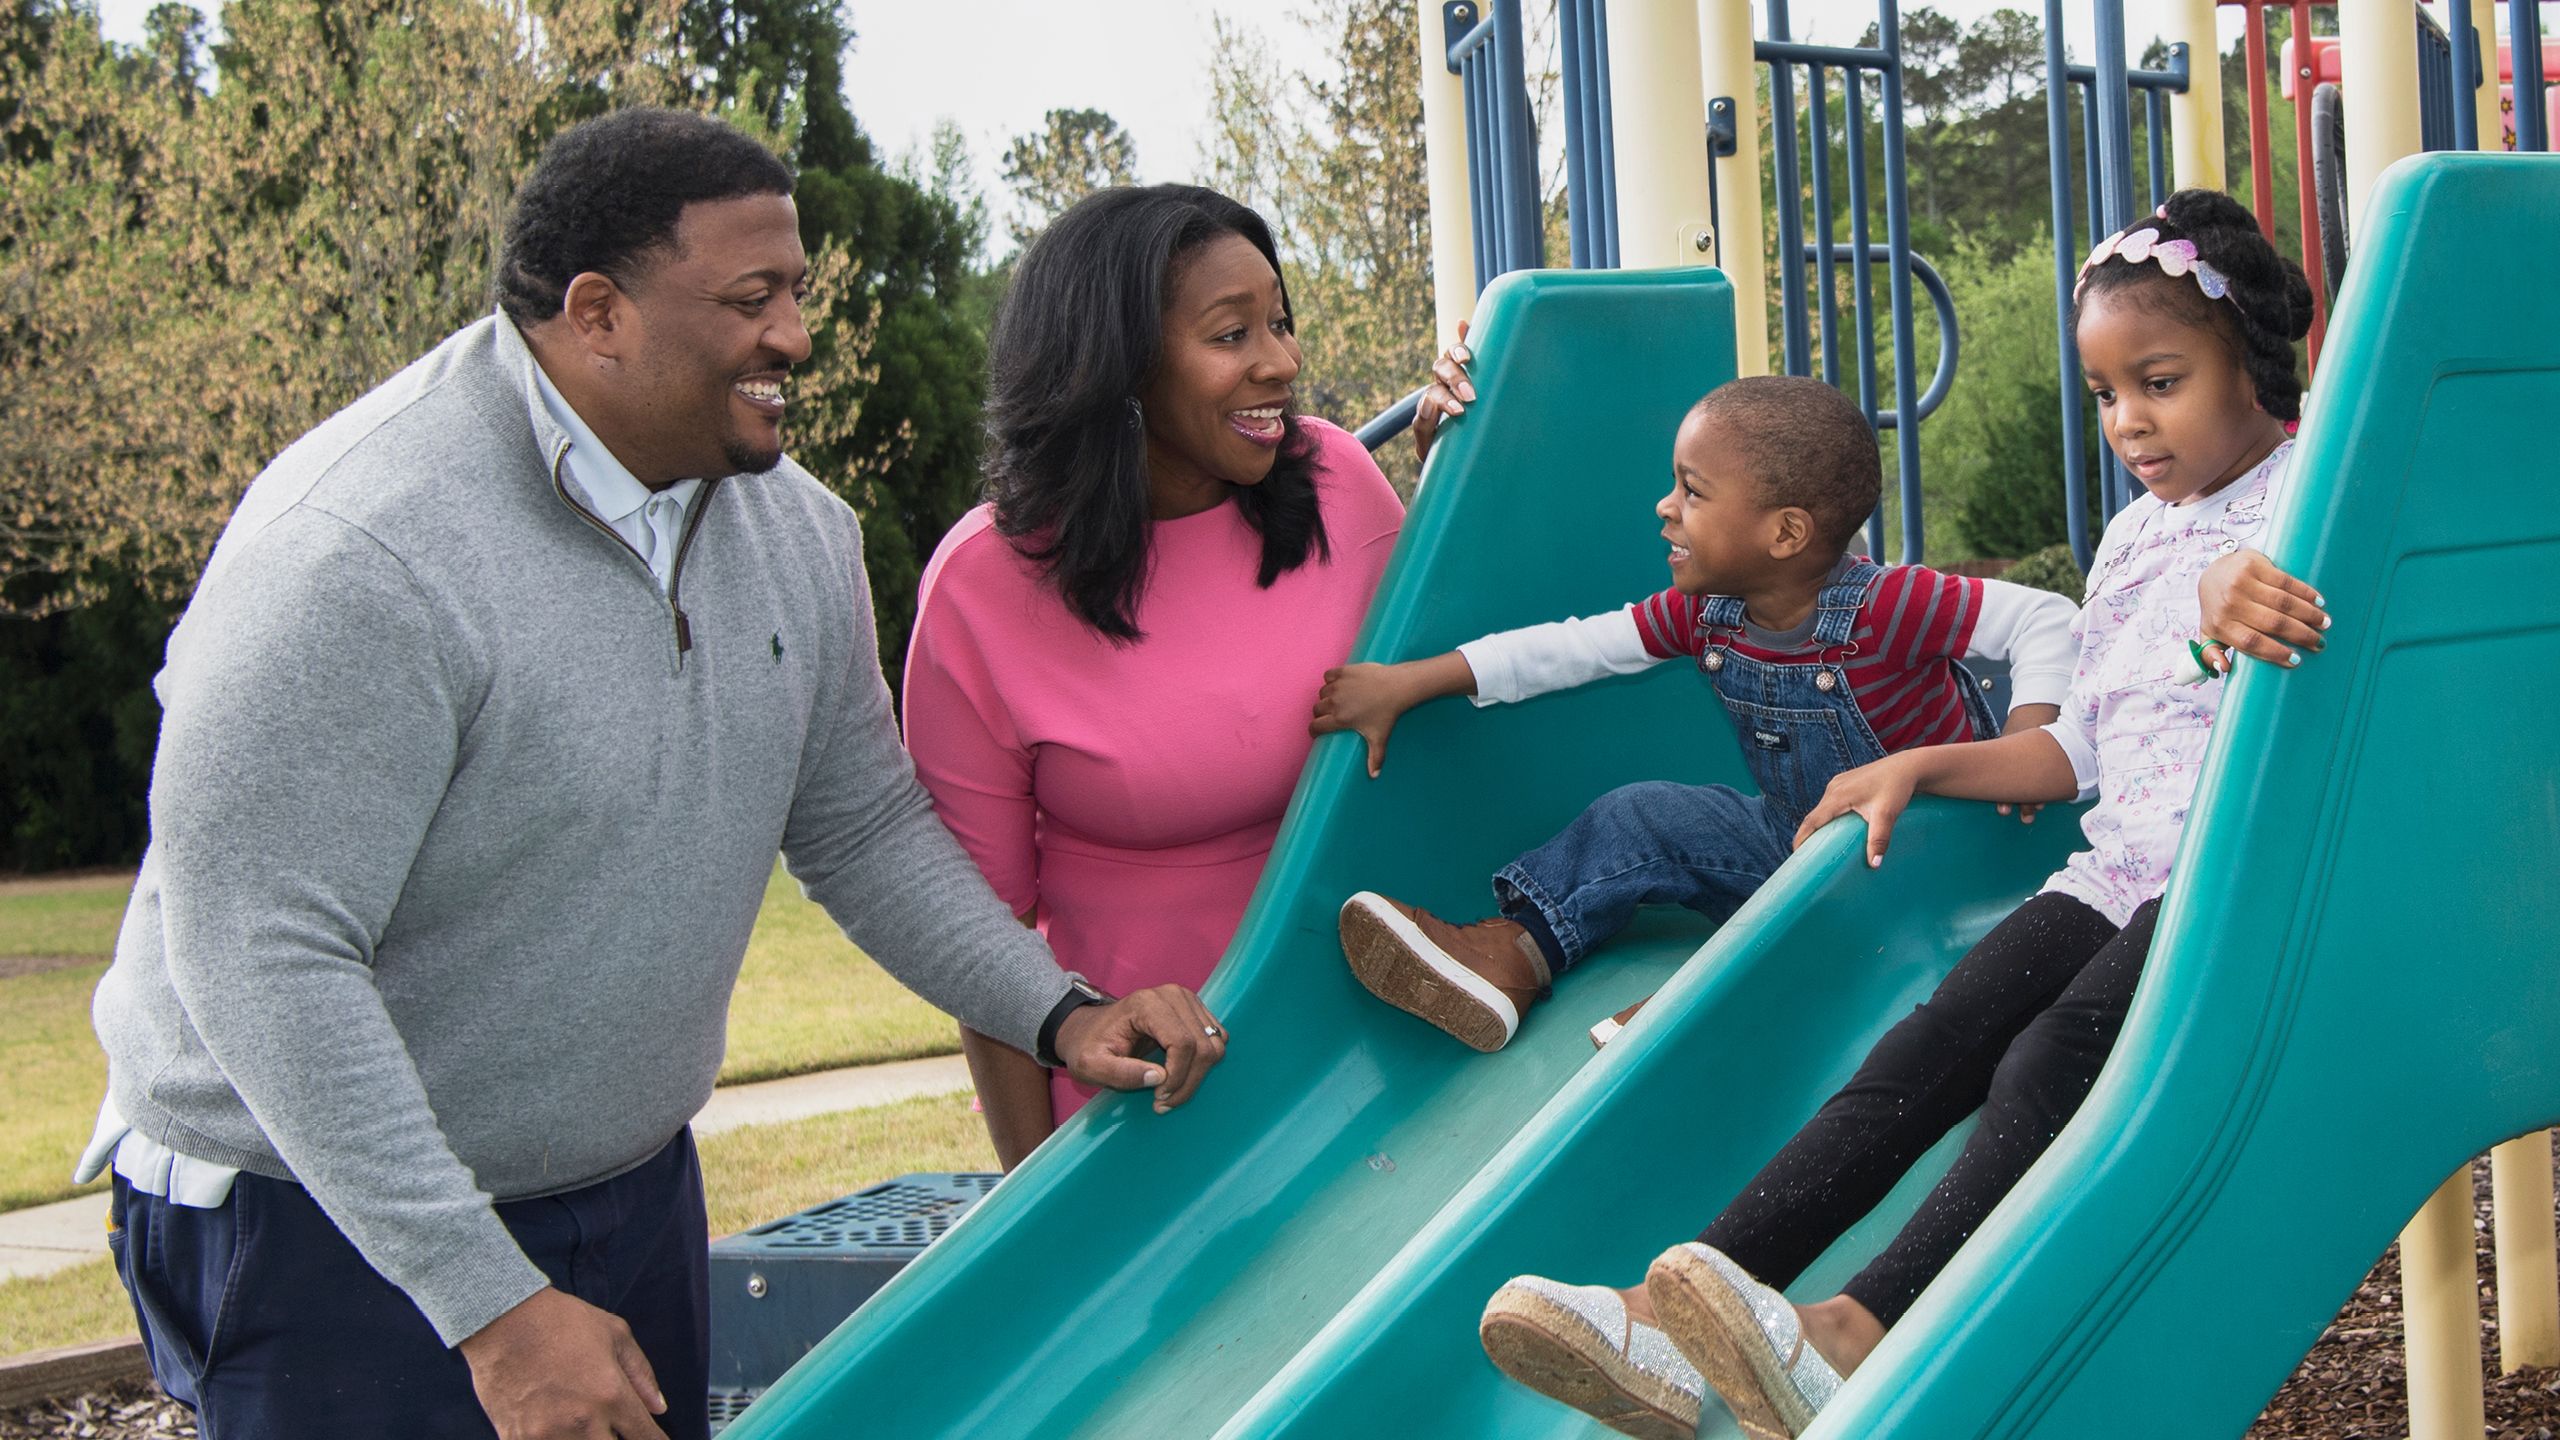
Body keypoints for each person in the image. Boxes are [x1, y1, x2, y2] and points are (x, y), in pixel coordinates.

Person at [74, 108, 1226, 1440]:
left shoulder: (797, 531)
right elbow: (262, 959)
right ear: (597, 314)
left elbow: (856, 826)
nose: (795, 335)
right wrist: (488, 1307)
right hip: (317, 1216)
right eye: (751, 299)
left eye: (794, 291)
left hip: (624, 1188)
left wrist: (1058, 1013)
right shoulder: (358, 553)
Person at [1473, 189, 2318, 1440]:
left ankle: (1859, 1326)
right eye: (2105, 394)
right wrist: (1921, 763)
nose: (2128, 421)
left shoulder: (2318, 486)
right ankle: (1669, 1313)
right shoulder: (2135, 540)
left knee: (2048, 1060)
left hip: (2237, 879)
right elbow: (2077, 748)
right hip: (2117, 869)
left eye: (2160, 381)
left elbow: (2331, 598)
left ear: (2249, 358)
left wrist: (2235, 584)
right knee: (1922, 1051)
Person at [1314, 374, 2081, 1053]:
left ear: (1784, 532)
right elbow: (1576, 649)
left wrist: (2022, 742)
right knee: (1639, 816)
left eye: (1692, 491)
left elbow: (2046, 617)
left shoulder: (1889, 605)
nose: (1666, 506)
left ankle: (1710, 1003)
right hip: (1792, 846)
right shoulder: (1707, 613)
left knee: (1809, 897)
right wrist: (1412, 681)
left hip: (1930, 872)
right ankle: (1515, 955)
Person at [902, 184, 1404, 1166]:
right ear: (1120, 367)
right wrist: (1027, 1203)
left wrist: (1476, 440)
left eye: (1280, 323)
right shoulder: (981, 586)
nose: (1281, 362)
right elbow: (981, 940)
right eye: (1231, 335)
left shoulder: (1342, 482)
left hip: (1369, 1058)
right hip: (1150, 1099)